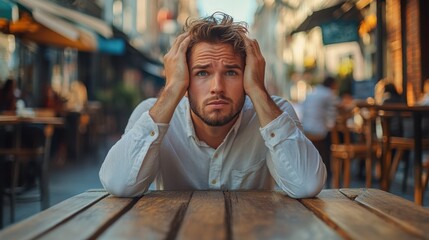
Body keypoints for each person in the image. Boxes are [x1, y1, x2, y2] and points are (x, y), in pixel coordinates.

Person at [99, 12, 326, 198]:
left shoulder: (275, 115)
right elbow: (118, 185)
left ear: (248, 75)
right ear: (184, 77)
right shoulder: (151, 114)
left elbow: (306, 185)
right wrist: (171, 91)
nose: (217, 86)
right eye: (202, 72)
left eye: (230, 72)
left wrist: (258, 89)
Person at [301, 76, 339, 187]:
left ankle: (325, 175)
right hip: (319, 132)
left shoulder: (312, 92)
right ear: (332, 85)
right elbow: (335, 113)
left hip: (306, 129)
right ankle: (331, 175)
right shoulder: (329, 94)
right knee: (333, 143)